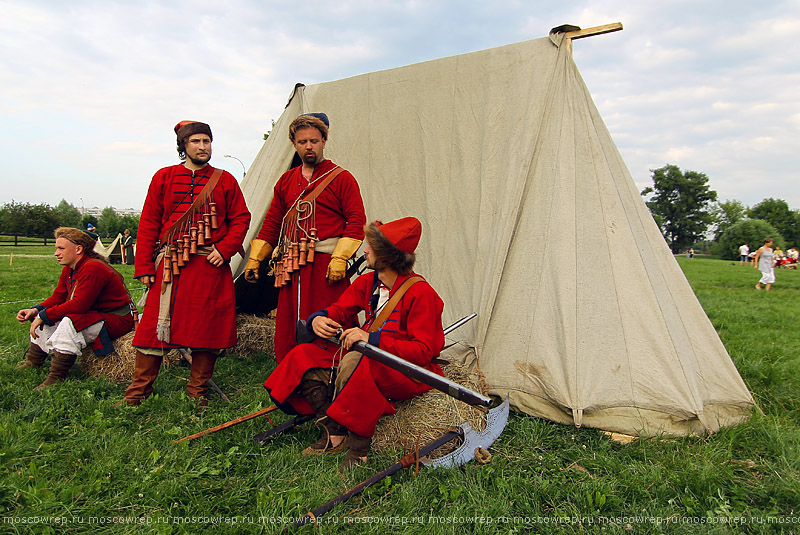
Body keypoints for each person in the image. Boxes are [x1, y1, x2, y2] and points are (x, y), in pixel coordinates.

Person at [264, 217, 445, 472]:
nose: (365, 251)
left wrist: (371, 339)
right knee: (303, 355)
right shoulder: (366, 283)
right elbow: (338, 310)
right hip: (366, 358)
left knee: (358, 362)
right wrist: (319, 320)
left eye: (371, 247)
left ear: (387, 255)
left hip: (404, 371)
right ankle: (333, 430)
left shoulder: (422, 294)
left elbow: (424, 352)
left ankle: (359, 450)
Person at [121, 121, 251, 406]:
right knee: (152, 329)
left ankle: (198, 392)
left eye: (207, 141)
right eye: (196, 142)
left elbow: (241, 218)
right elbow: (149, 222)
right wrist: (143, 266)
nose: (203, 147)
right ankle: (137, 393)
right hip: (169, 265)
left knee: (208, 329)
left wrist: (225, 248)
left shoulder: (225, 179)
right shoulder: (164, 177)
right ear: (184, 146)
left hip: (209, 266)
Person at [245, 113, 366, 363]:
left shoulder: (342, 178)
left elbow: (356, 221)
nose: (308, 147)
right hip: (291, 265)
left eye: (313, 141)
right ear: (294, 144)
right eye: (302, 142)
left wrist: (340, 258)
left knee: (330, 318)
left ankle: (332, 367)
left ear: (324, 140)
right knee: (290, 321)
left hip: (326, 265)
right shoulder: (286, 181)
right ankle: (290, 367)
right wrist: (255, 259)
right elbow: (271, 223)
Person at [16, 227, 135, 390]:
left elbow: (80, 305)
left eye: (61, 248)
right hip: (94, 314)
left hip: (115, 319)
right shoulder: (70, 268)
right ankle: (33, 360)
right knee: (52, 316)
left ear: (78, 249)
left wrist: (45, 316)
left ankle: (57, 376)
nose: (56, 253)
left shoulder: (93, 267)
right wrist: (36, 311)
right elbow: (58, 296)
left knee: (69, 322)